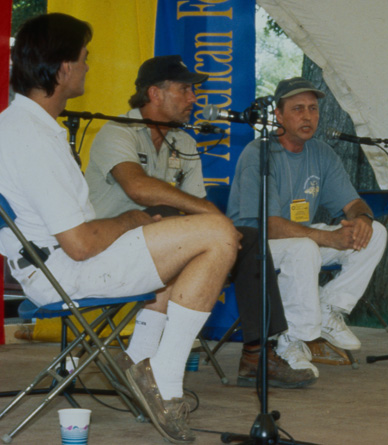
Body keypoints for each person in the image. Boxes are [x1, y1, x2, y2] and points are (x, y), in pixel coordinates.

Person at [0, 14, 238, 443]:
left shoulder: (23, 125)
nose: (89, 66)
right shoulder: (31, 138)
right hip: (66, 273)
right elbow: (79, 243)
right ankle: (164, 381)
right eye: (85, 58)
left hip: (59, 264)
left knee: (191, 243)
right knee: (217, 235)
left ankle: (142, 359)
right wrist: (131, 220)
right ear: (64, 68)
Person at [84, 55, 316, 389]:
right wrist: (215, 221)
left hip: (161, 240)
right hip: (112, 243)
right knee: (205, 228)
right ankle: (144, 358)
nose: (194, 98)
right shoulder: (118, 131)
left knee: (249, 239)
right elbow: (138, 188)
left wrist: (222, 227)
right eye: (185, 89)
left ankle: (256, 354)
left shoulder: (184, 141)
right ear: (155, 93)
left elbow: (197, 205)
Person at [226, 77, 387, 377]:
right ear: (278, 114)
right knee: (305, 247)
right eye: (298, 108)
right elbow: (270, 225)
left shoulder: (322, 153)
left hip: (303, 239)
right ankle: (291, 340)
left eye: (313, 109)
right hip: (253, 245)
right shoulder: (257, 153)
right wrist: (328, 238)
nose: (308, 116)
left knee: (376, 233)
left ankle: (329, 309)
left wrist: (362, 218)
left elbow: (353, 203)